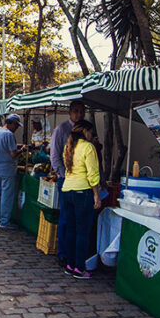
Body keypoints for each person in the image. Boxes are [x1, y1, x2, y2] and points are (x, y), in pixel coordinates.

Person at [60, 120, 101, 279]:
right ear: (84, 131)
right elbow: (93, 173)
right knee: (82, 232)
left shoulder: (69, 146)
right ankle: (79, 268)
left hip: (67, 190)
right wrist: (96, 194)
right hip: (83, 192)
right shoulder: (88, 147)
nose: (91, 135)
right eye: (90, 132)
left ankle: (70, 265)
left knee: (71, 230)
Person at [50, 100, 85, 269]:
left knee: (77, 221)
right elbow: (55, 155)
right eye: (76, 111)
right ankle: (63, 253)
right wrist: (62, 174)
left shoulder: (85, 129)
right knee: (66, 217)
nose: (79, 115)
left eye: (81, 112)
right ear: (70, 112)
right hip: (66, 180)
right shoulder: (61, 129)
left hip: (82, 181)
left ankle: (74, 254)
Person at [0, 114, 27, 229]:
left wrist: (17, 145)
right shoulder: (9, 135)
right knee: (6, 195)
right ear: (11, 123)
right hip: (7, 168)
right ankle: (4, 221)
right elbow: (12, 153)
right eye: (16, 125)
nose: (16, 128)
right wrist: (21, 149)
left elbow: (4, 146)